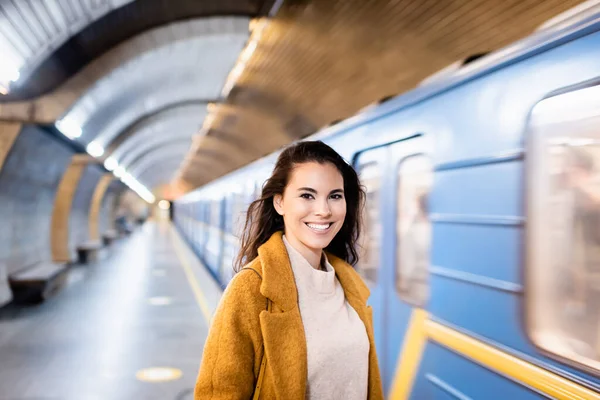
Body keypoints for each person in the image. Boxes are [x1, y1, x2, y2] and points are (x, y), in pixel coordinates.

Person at [194, 141, 383, 399]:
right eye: (307, 195)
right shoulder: (250, 290)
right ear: (280, 202)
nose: (323, 210)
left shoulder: (351, 289)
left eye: (335, 196)